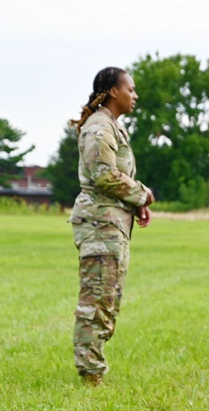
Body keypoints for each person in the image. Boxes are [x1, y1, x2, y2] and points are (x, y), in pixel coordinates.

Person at [68, 66, 154, 385]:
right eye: (130, 89)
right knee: (97, 297)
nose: (135, 95)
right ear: (114, 91)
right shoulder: (99, 128)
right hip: (99, 224)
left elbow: (118, 175)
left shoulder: (113, 127)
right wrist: (141, 194)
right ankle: (90, 373)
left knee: (108, 296)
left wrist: (137, 202)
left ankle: (93, 366)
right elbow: (103, 175)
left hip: (113, 222)